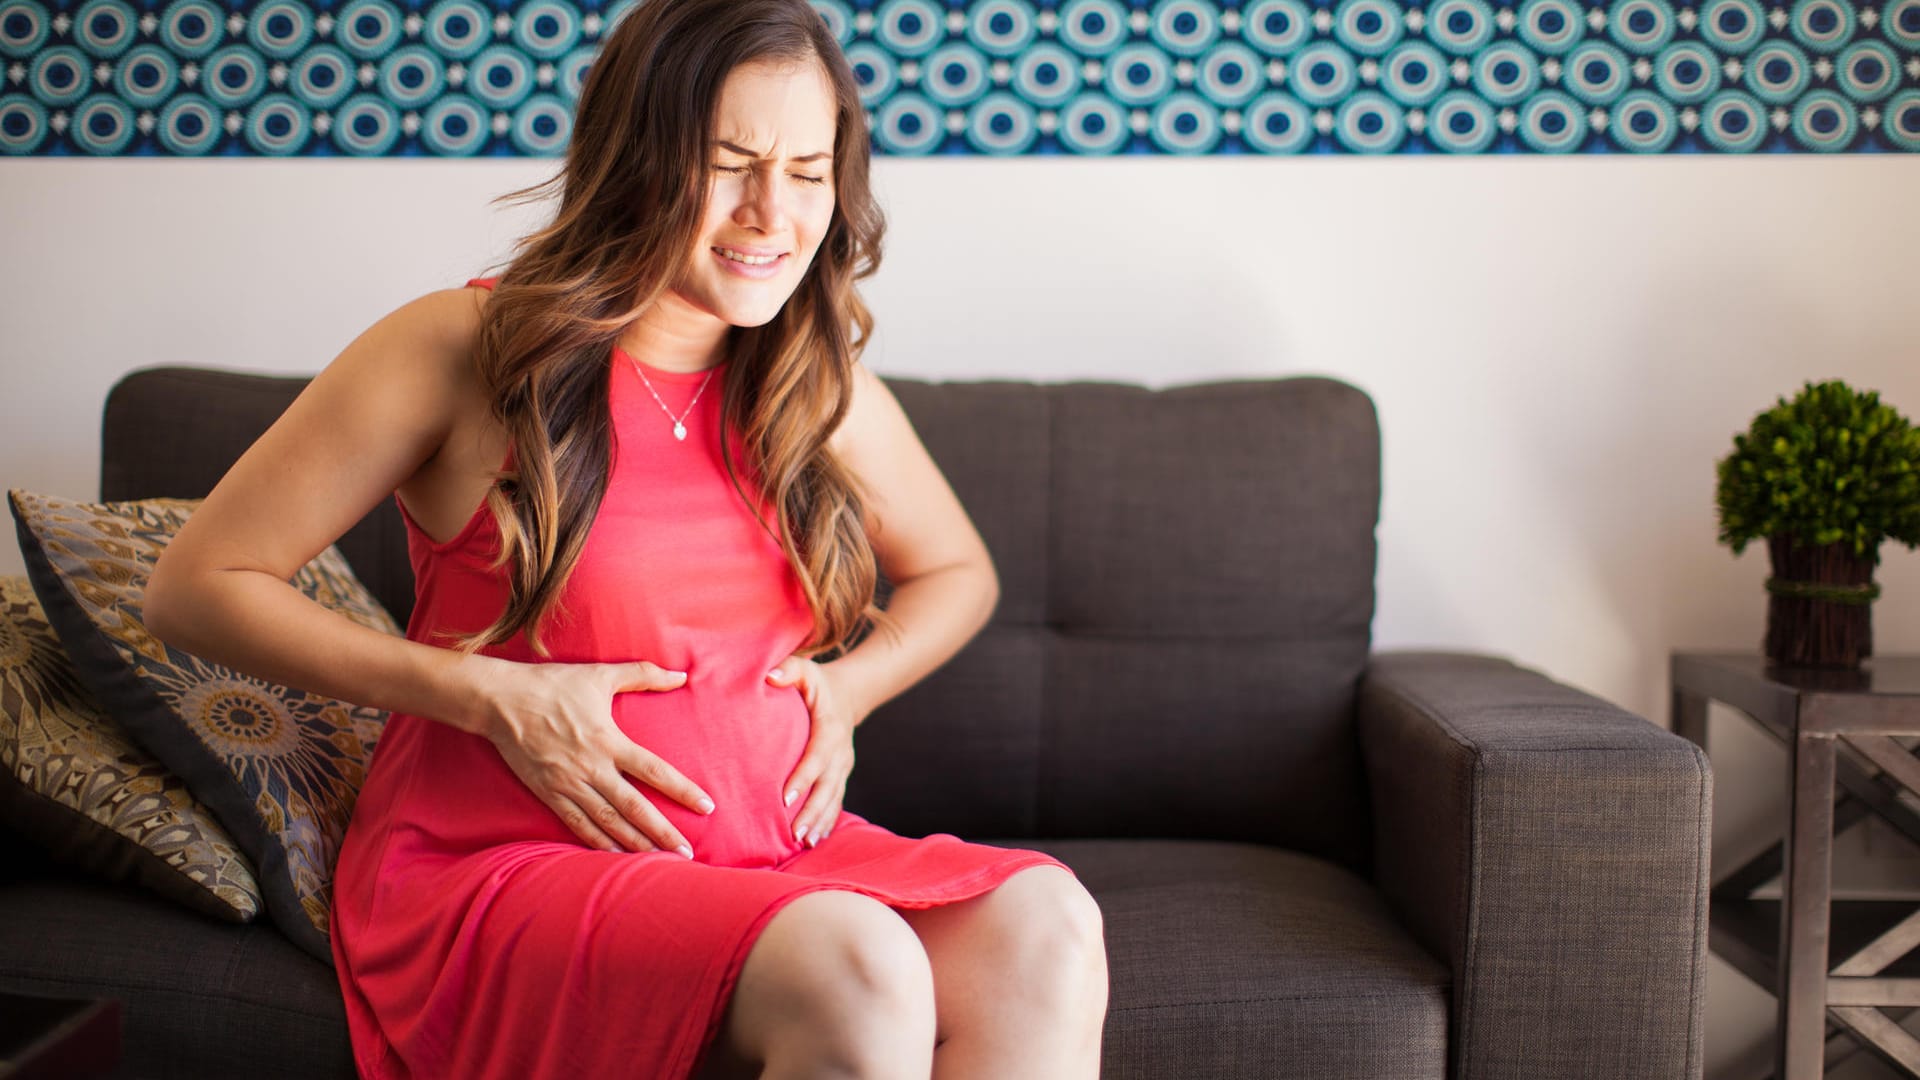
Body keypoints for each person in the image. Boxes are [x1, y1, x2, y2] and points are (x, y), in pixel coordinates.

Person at [143, 0, 1109, 1076]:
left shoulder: (810, 380)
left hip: (766, 858)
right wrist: (485, 695)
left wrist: (851, 689)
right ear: (636, 157)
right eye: (730, 162)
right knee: (863, 961)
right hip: (502, 862)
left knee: (1048, 927)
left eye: (806, 170)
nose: (770, 212)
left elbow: (958, 573)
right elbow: (196, 585)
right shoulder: (465, 347)